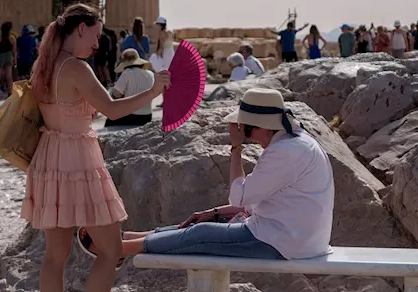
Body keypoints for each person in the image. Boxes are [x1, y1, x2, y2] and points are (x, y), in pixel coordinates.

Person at [21, 3, 169, 292]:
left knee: (55, 255)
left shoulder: (44, 64)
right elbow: (112, 110)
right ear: (80, 29)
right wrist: (152, 92)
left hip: (49, 158)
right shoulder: (76, 67)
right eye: (96, 35)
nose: (97, 43)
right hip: (78, 160)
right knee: (111, 250)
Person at [100, 89, 334, 262]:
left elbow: (238, 198)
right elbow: (256, 203)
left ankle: (118, 250)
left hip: (286, 243)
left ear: (263, 125)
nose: (248, 136)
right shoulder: (296, 141)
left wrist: (235, 148)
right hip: (299, 237)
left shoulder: (284, 153)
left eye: (247, 129)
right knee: (203, 222)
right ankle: (132, 237)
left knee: (201, 234)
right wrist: (213, 212)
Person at [108, 49, 156, 127]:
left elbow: (117, 94)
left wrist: (112, 90)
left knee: (109, 120)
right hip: (147, 115)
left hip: (131, 115)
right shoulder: (150, 74)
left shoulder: (127, 73)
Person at [0, 21, 15, 97]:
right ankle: (10, 92)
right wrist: (15, 60)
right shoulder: (12, 38)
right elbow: (14, 51)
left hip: (0, 56)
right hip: (9, 56)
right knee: (9, 76)